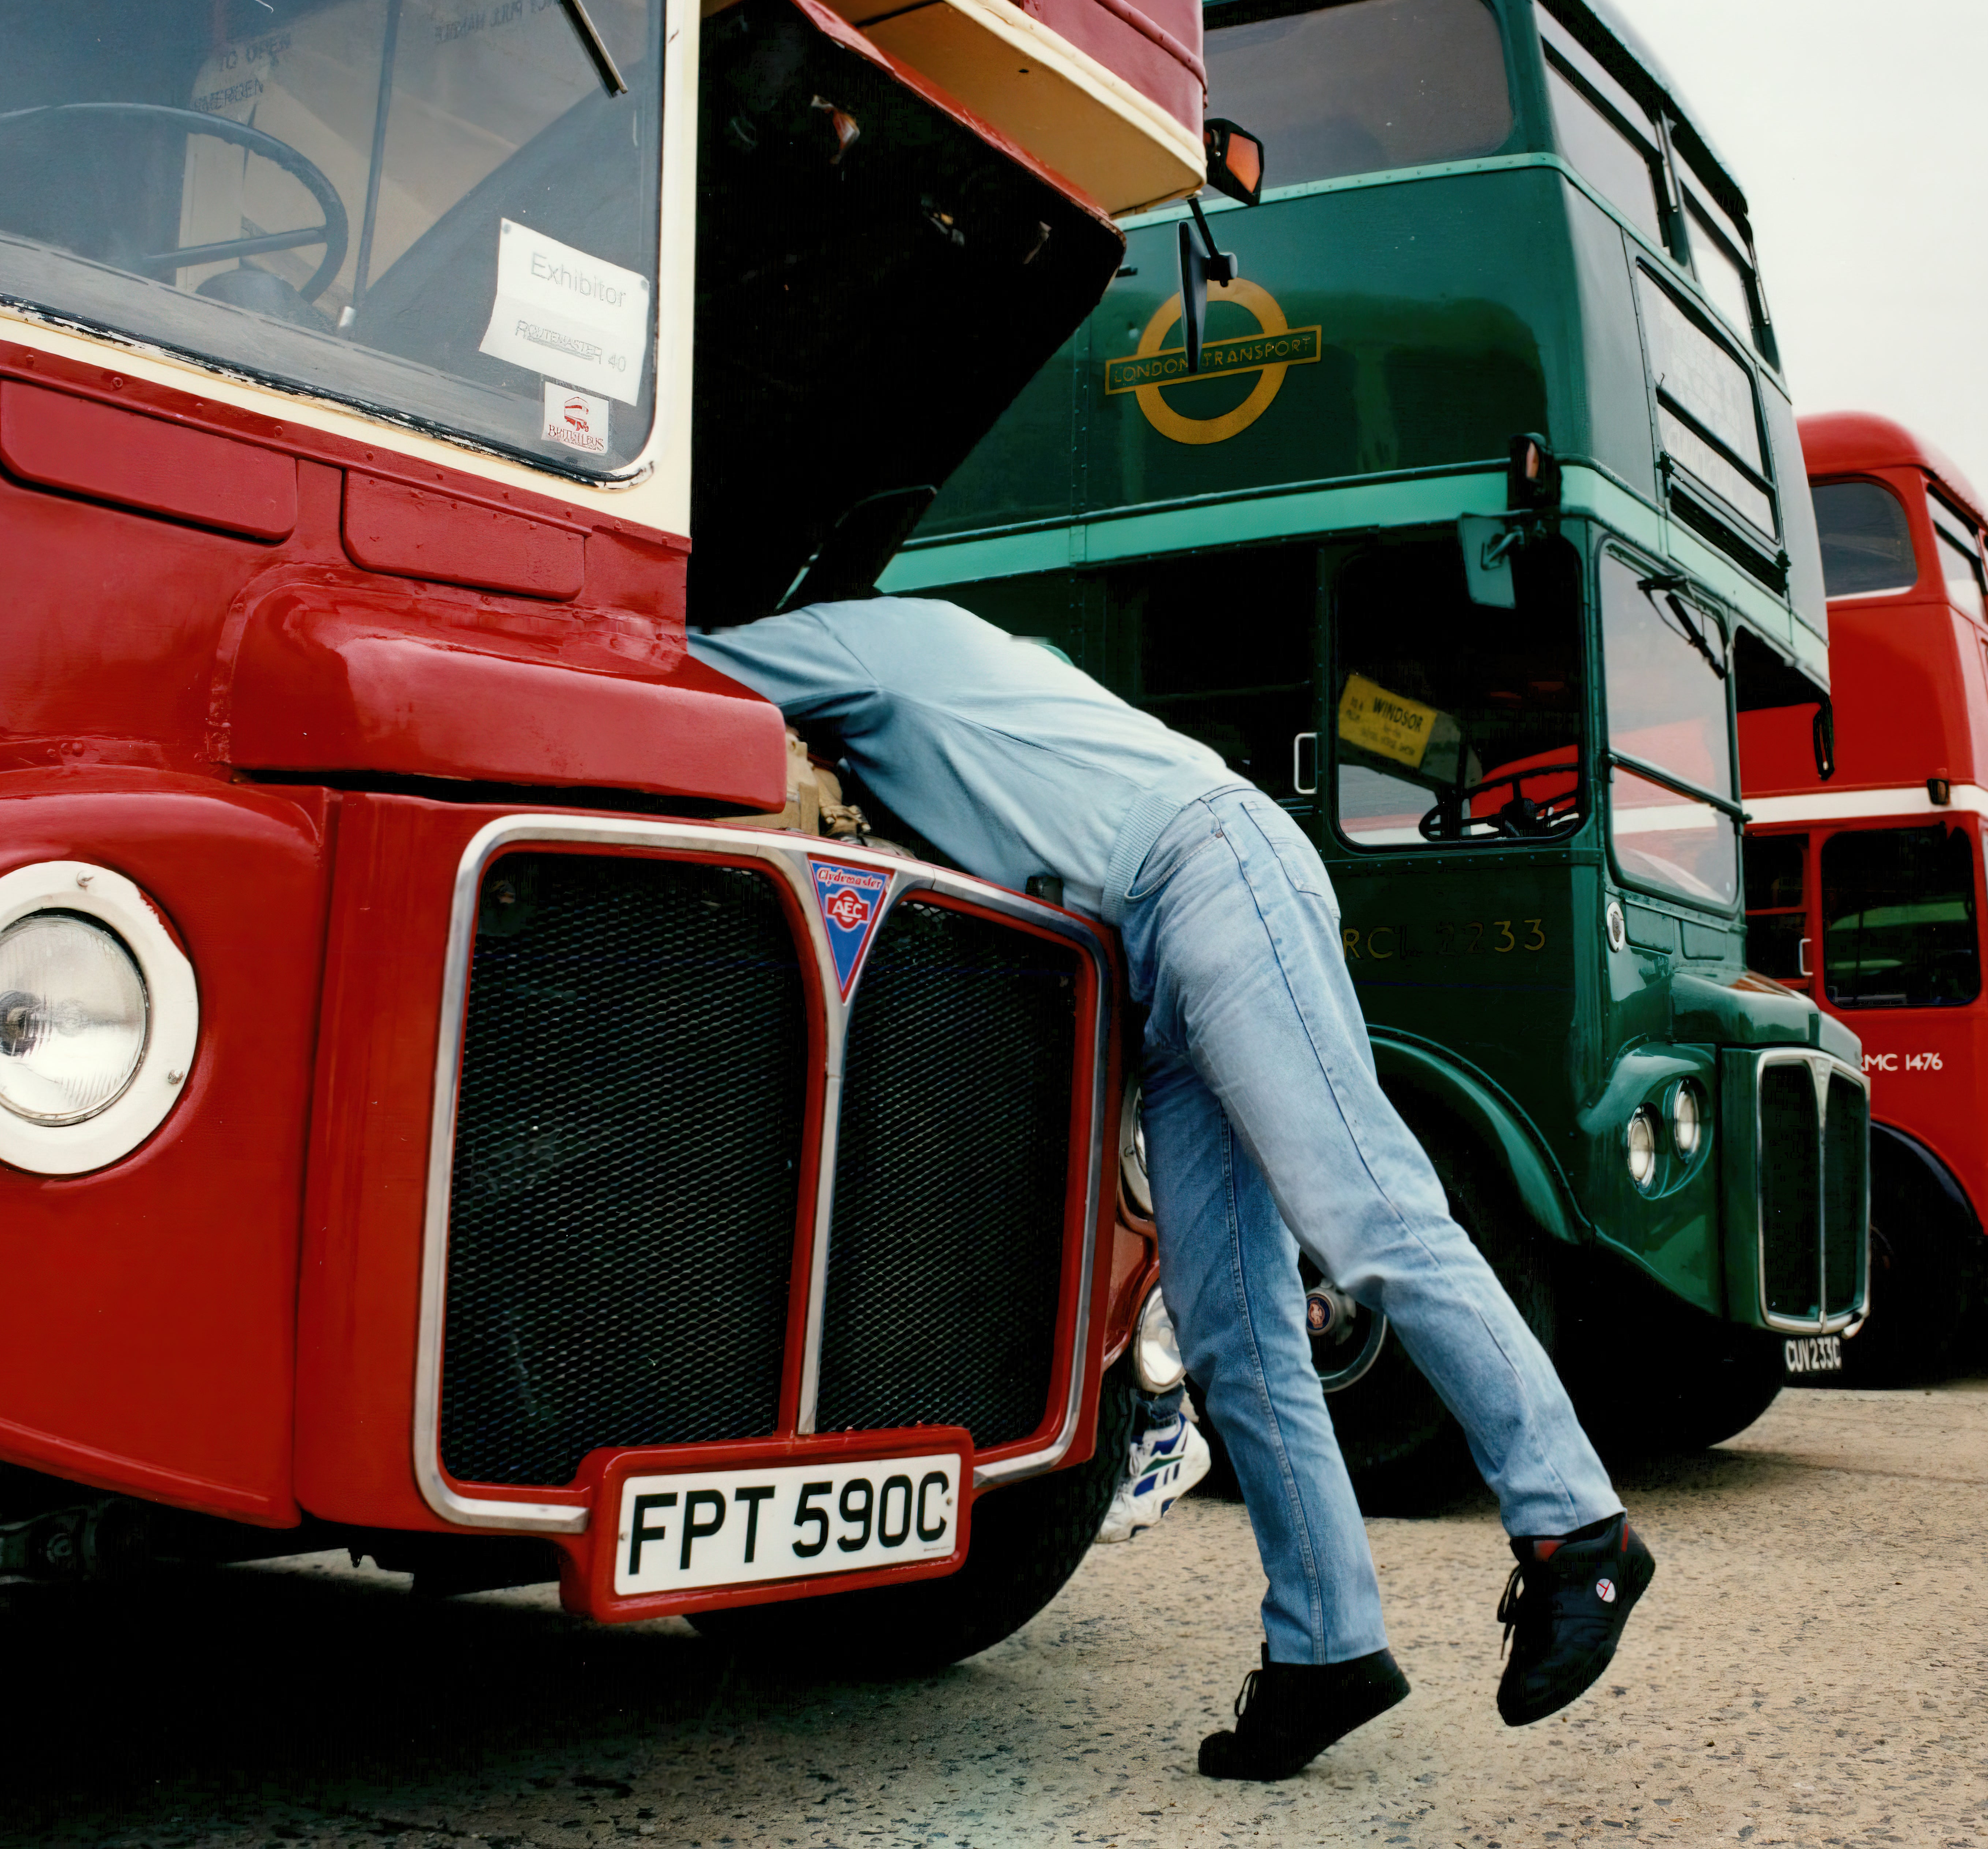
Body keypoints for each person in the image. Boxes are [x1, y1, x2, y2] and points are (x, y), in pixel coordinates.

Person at [689, 597, 1652, 1780]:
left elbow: (671, 667)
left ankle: (1577, 1533)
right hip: (1154, 933)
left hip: (1207, 870)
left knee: (1370, 1217)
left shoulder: (841, 634)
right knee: (1230, 1330)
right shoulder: (984, 661)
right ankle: (1325, 1654)